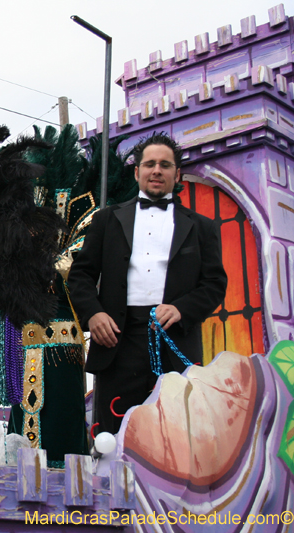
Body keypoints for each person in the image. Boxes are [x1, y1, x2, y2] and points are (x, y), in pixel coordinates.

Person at [67, 133, 227, 435]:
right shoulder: (106, 220)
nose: (157, 171)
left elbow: (215, 284)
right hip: (117, 342)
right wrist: (94, 314)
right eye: (150, 164)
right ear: (136, 171)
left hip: (174, 341)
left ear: (177, 174)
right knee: (114, 436)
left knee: (178, 436)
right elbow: (80, 275)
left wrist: (181, 309)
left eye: (165, 165)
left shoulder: (202, 227)